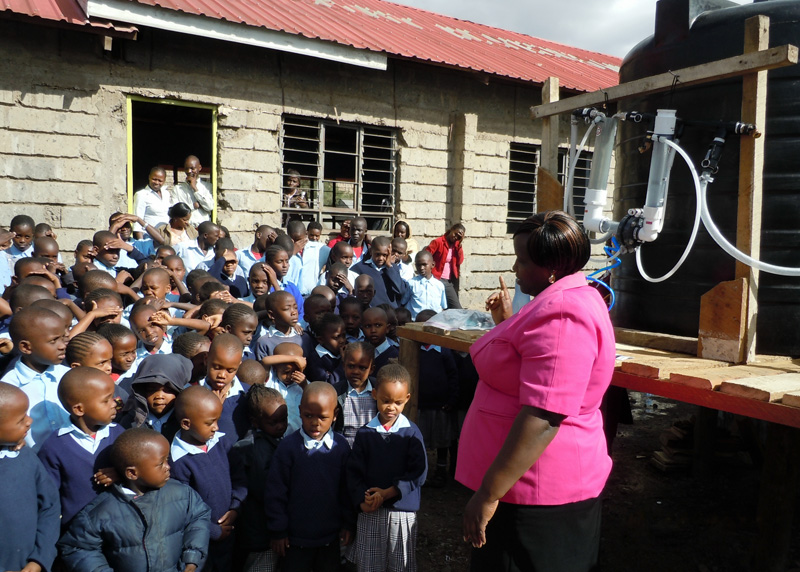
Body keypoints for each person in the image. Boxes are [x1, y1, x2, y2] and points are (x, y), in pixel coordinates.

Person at [457, 211, 615, 571]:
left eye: (523, 260)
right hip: (521, 482)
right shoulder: (558, 298)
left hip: (535, 491)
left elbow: (544, 416)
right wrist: (507, 322)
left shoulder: (563, 315)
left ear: (551, 269)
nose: (514, 267)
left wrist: (488, 493)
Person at [58, 428, 211, 572]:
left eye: (167, 459)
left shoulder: (181, 493)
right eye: (160, 463)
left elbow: (199, 516)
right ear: (132, 473)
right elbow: (76, 548)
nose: (168, 467)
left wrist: (192, 557)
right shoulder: (102, 510)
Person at [346, 364, 427, 571]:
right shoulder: (365, 434)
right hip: (371, 510)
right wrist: (360, 501)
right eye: (386, 400)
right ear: (375, 394)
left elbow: (419, 472)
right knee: (370, 565)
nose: (391, 407)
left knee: (400, 564)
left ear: (407, 399)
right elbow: (353, 473)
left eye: (398, 402)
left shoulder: (411, 433)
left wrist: (389, 492)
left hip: (401, 512)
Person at [265, 382, 353, 570]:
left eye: (323, 417)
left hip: (330, 538)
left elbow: (347, 489)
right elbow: (275, 492)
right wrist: (278, 530)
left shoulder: (341, 447)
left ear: (335, 415)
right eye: (308, 416)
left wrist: (348, 523)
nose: (315, 422)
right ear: (299, 411)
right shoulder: (288, 448)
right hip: (294, 540)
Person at [170, 386, 247, 572]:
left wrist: (236, 506)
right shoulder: (178, 462)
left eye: (217, 421)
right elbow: (182, 510)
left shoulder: (221, 443)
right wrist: (213, 531)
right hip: (201, 543)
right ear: (186, 424)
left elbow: (239, 477)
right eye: (210, 423)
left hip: (231, 530)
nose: (217, 427)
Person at [37, 367, 122, 527]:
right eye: (106, 400)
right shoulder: (54, 447)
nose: (114, 404)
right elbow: (49, 498)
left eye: (113, 397)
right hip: (77, 531)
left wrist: (120, 474)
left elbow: (138, 475)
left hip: (119, 526)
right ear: (79, 409)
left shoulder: (119, 434)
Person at [0, 382, 61, 572]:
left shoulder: (25, 458)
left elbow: (50, 507)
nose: (30, 421)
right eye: (20, 420)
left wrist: (40, 559)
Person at [230, 386, 288, 572]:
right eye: (274, 422)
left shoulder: (276, 441)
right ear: (256, 422)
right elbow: (266, 491)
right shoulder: (255, 449)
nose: (280, 426)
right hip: (261, 532)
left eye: (283, 420)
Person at [1, 306, 70, 451]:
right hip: (35, 458)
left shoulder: (69, 376)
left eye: (63, 338)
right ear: (26, 347)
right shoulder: (9, 387)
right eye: (54, 340)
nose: (62, 346)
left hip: (71, 455)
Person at [118, 353, 191, 442]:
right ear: (141, 392)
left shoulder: (185, 422)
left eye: (168, 390)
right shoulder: (131, 421)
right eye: (152, 390)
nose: (159, 396)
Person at [333, 341, 376, 447]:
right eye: (351, 366)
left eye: (362, 368)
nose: (356, 372)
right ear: (343, 366)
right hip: (344, 449)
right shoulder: (336, 392)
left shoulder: (379, 391)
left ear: (371, 369)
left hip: (371, 449)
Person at [351, 236, 407, 308]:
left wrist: (389, 267)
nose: (381, 258)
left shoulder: (393, 268)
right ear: (371, 251)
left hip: (390, 313)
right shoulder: (359, 268)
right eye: (377, 254)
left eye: (385, 255)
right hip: (370, 312)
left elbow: (400, 291)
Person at [426, 223, 465, 310]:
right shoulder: (438, 242)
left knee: (454, 307)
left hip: (449, 280)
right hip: (437, 278)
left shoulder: (456, 246)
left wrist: (459, 245)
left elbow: (460, 261)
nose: (455, 238)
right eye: (455, 234)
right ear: (451, 229)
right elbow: (425, 256)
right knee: (448, 307)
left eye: (458, 237)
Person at [401, 250, 447, 319]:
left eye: (424, 264)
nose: (421, 268)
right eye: (418, 265)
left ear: (433, 265)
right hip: (415, 321)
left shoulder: (439, 285)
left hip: (434, 321)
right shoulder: (411, 283)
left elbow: (443, 306)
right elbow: (403, 302)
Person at [171, 155, 214, 226]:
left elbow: (210, 207)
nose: (189, 171)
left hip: (203, 229)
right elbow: (175, 211)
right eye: (186, 169)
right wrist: (193, 206)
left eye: (192, 168)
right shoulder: (177, 189)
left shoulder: (207, 187)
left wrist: (195, 188)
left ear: (199, 168)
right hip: (185, 228)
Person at [306, 313, 347, 385]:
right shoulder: (315, 359)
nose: (342, 340)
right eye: (336, 337)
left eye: (344, 335)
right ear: (321, 339)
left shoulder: (345, 350)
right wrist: (343, 362)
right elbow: (329, 384)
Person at [132, 167, 171, 234]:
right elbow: (137, 220)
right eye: (154, 179)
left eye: (160, 181)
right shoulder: (142, 195)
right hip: (149, 237)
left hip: (165, 236)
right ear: (149, 177)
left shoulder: (166, 194)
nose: (156, 182)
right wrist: (141, 242)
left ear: (164, 181)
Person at [361, 307, 397, 372]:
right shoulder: (360, 353)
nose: (373, 330)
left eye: (378, 325)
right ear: (362, 329)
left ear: (387, 328)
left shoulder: (395, 356)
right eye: (368, 326)